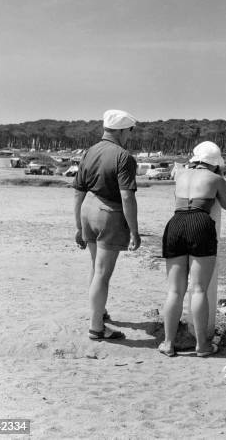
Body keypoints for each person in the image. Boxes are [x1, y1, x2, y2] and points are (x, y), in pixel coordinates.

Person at [160, 141, 226, 357]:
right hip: (200, 223)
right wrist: (220, 177)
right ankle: (202, 345)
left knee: (175, 290)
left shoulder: (179, 173)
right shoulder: (215, 178)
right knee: (199, 288)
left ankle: (168, 343)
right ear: (215, 163)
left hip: (176, 223)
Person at [73, 109, 141, 340]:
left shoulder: (89, 152)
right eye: (129, 131)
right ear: (122, 131)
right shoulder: (123, 157)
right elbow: (127, 197)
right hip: (108, 213)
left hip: (87, 209)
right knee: (103, 273)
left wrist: (78, 227)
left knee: (95, 267)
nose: (129, 136)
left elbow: (77, 192)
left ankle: (98, 313)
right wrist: (134, 231)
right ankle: (96, 327)